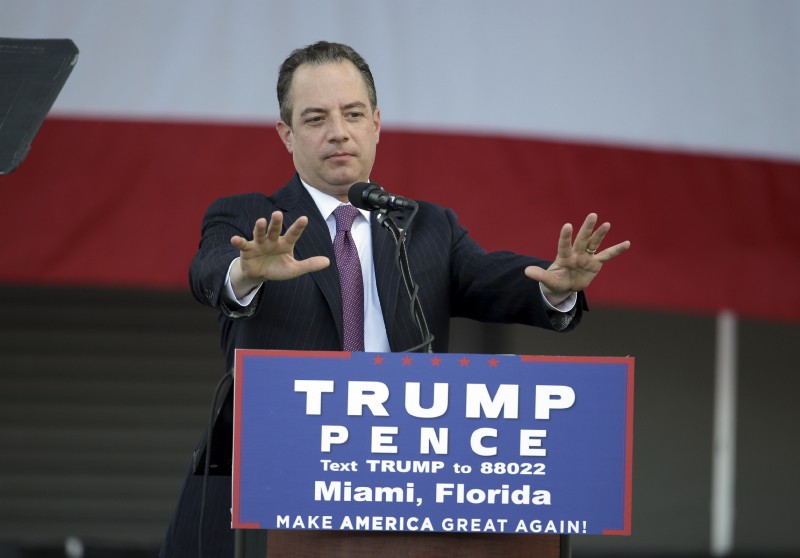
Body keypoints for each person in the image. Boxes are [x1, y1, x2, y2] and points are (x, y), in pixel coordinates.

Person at [160, 41, 630, 557]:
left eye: (353, 114)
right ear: (287, 135)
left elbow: (490, 277)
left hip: (401, 491)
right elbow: (210, 272)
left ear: (376, 124)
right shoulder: (250, 219)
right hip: (279, 490)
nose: (338, 131)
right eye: (316, 118)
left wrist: (553, 286)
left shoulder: (425, 226)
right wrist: (244, 272)